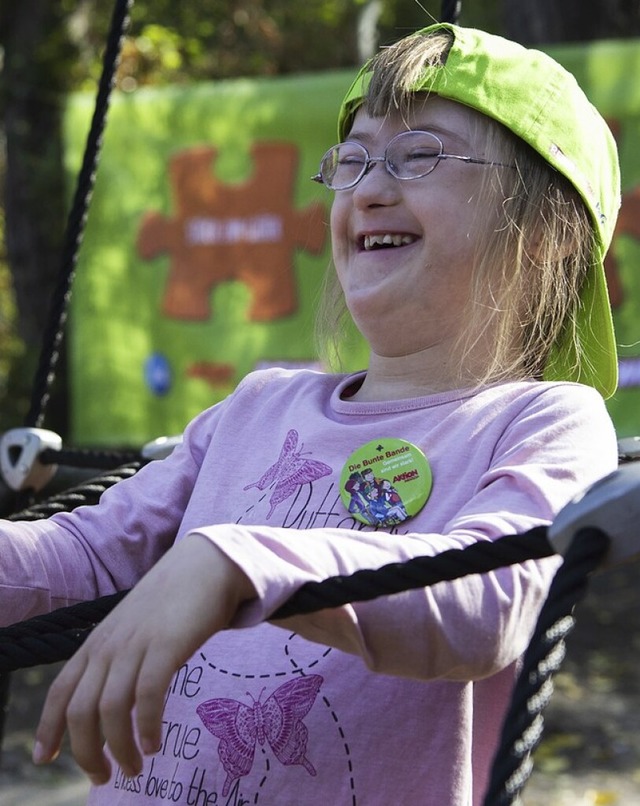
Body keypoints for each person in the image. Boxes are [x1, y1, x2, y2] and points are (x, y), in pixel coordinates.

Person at [0, 21, 621, 806]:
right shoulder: (260, 407)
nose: (367, 187)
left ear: (546, 236)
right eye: (353, 159)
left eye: (419, 154)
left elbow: (485, 604)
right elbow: (83, 555)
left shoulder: (545, 421)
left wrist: (235, 561)